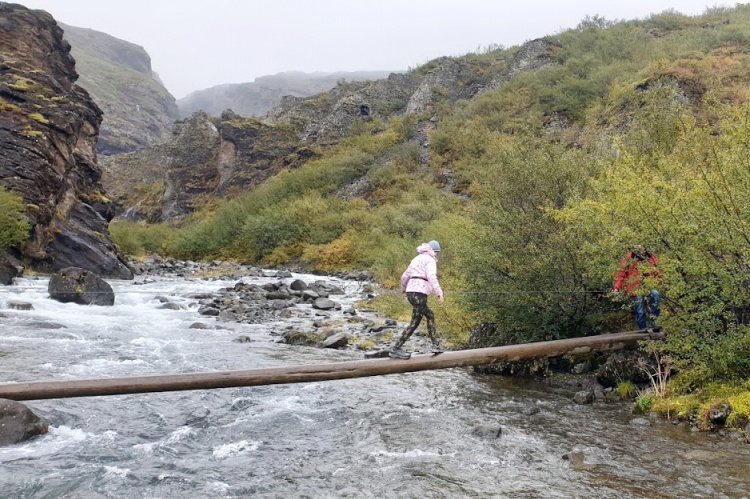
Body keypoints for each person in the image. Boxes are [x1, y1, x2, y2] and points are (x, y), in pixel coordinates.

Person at [389, 240, 445, 359]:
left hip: (411, 292)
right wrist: (439, 293)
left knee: (415, 322)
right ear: (434, 251)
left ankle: (396, 348)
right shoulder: (430, 260)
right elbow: (431, 277)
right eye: (437, 253)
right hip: (420, 293)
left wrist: (404, 289)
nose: (436, 255)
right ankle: (435, 345)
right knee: (430, 315)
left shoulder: (416, 259)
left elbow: (404, 276)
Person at [612, 245, 663, 331]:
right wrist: (616, 288)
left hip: (649, 285)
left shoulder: (651, 256)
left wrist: (660, 283)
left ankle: (653, 324)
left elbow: (659, 272)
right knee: (640, 311)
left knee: (656, 294)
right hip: (634, 287)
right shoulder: (629, 257)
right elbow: (620, 273)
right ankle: (643, 330)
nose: (640, 248)